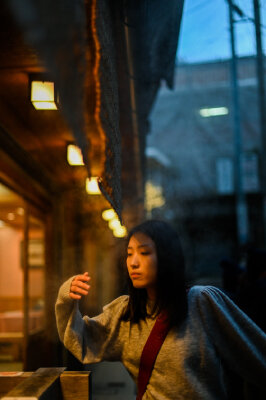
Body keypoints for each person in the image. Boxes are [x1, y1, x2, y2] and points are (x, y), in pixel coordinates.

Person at [55, 220, 266, 399]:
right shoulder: (124, 313)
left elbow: (256, 354)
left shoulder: (202, 301)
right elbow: (80, 341)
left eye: (144, 252)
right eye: (129, 254)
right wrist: (66, 299)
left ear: (167, 257)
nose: (133, 263)